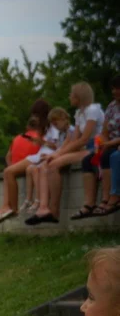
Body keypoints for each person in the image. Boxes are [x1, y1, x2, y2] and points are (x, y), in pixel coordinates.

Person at [29, 81, 104, 224]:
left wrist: (57, 154)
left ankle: (53, 210)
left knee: (53, 163)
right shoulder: (79, 113)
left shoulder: (93, 110)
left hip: (96, 147)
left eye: (72, 94)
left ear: (79, 97)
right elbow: (72, 140)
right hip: (85, 147)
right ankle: (48, 209)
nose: (69, 96)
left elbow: (83, 139)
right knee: (50, 163)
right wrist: (55, 154)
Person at [21, 108, 73, 223]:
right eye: (53, 124)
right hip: (61, 156)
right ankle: (42, 206)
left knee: (45, 166)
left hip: (69, 156)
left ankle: (42, 205)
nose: (55, 126)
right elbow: (61, 148)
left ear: (64, 118)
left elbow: (66, 148)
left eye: (56, 122)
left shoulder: (71, 131)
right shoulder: (63, 132)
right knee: (40, 167)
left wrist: (53, 155)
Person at [95, 76, 120, 216]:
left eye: (118, 88)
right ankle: (105, 197)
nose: (115, 91)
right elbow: (105, 131)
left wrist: (109, 143)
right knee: (99, 157)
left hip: (116, 143)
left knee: (115, 156)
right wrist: (103, 142)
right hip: (111, 142)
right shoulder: (111, 106)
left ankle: (115, 195)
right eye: (113, 88)